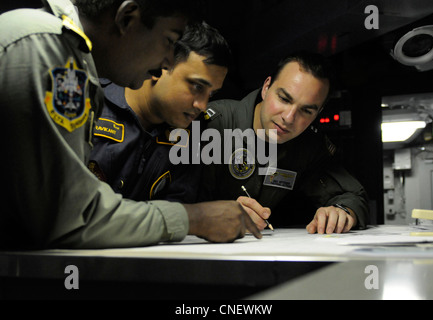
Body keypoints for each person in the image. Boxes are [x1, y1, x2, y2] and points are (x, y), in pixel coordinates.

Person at [0, 0, 261, 250]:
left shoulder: (55, 47)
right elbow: (69, 217)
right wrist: (195, 218)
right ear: (127, 19)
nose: (168, 61)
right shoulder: (46, 48)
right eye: (169, 41)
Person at [199, 51, 369, 234]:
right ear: (266, 87)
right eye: (284, 99)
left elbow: (353, 195)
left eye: (306, 111)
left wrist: (341, 212)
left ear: (317, 114)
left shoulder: (309, 145)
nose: (289, 118)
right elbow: (169, 201)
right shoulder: (210, 125)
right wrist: (213, 213)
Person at [88, 21, 230, 204]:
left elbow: (181, 212)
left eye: (211, 94)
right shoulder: (91, 103)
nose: (202, 105)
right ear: (159, 66)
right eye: (197, 86)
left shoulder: (192, 135)